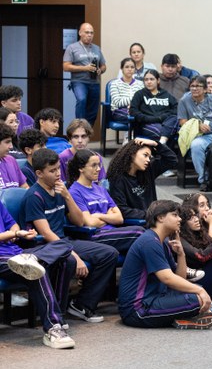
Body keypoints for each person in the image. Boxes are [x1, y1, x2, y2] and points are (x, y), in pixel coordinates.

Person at [21, 148, 119, 323]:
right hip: (44, 246)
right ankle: (57, 315)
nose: (58, 173)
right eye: (52, 171)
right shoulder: (34, 196)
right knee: (70, 260)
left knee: (109, 253)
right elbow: (46, 233)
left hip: (64, 241)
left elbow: (79, 221)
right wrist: (73, 253)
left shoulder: (60, 190)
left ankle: (81, 304)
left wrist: (67, 196)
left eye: (58, 168)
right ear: (39, 173)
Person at [118, 200, 212, 329]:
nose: (180, 219)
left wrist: (181, 254)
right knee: (197, 298)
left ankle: (193, 314)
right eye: (175, 215)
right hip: (137, 309)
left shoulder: (162, 242)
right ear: (160, 217)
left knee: (195, 291)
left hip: (154, 298)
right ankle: (192, 315)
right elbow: (167, 278)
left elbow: (180, 278)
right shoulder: (149, 242)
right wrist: (200, 291)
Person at [0, 199, 76, 348]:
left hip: (19, 253)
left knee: (65, 248)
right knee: (34, 271)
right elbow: (12, 230)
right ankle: (54, 327)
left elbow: (12, 224)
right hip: (2, 259)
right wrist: (13, 233)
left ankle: (35, 258)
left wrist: (20, 234)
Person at [67, 149, 144, 254]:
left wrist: (99, 215)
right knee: (140, 233)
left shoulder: (100, 189)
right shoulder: (74, 192)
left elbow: (119, 218)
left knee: (152, 236)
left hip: (111, 232)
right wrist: (108, 216)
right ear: (81, 168)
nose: (98, 169)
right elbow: (90, 222)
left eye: (99, 165)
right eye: (93, 165)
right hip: (95, 236)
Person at [178, 75, 212, 189]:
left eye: (198, 86)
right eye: (192, 86)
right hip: (198, 136)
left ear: (205, 89)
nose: (194, 89)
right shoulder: (184, 101)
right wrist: (197, 126)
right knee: (196, 146)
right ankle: (203, 179)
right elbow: (182, 122)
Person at [106, 138, 177, 220]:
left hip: (154, 218)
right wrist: (150, 214)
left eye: (150, 157)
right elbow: (122, 210)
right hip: (139, 223)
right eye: (145, 155)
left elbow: (172, 160)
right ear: (132, 153)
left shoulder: (148, 170)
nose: (148, 160)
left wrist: (156, 144)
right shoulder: (118, 179)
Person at [62, 22, 106, 125]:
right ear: (80, 33)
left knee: (93, 109)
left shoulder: (97, 48)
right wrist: (85, 68)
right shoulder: (72, 48)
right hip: (79, 81)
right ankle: (79, 126)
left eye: (91, 33)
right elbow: (66, 67)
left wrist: (100, 70)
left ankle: (87, 130)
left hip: (94, 82)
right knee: (82, 99)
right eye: (87, 32)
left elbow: (104, 65)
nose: (89, 35)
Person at [130, 69, 179, 144]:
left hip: (165, 122)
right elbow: (133, 110)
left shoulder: (165, 94)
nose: (149, 82)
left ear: (158, 80)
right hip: (147, 124)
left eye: (152, 79)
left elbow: (176, 108)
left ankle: (163, 144)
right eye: (146, 80)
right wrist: (147, 118)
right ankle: (163, 146)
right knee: (165, 132)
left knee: (174, 119)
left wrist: (163, 117)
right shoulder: (139, 94)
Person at [110, 57, 144, 121]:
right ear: (122, 69)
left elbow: (143, 101)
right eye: (127, 67)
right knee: (135, 116)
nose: (130, 69)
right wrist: (135, 100)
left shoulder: (140, 84)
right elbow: (118, 103)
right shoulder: (115, 84)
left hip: (136, 110)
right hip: (119, 111)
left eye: (132, 67)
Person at [0, 123, 27, 190]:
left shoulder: (11, 160)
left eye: (11, 142)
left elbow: (24, 187)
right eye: (7, 142)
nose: (11, 146)